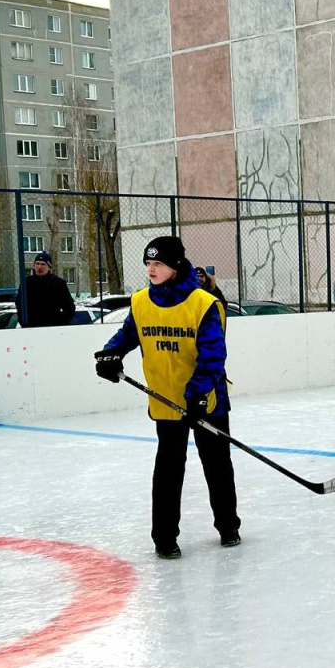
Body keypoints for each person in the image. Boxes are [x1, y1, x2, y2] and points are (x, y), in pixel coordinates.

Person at [94, 237, 240, 559]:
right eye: (148, 264)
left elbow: (213, 355)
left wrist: (197, 394)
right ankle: (163, 537)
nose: (151, 270)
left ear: (174, 265)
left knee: (216, 464)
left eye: (158, 264)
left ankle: (228, 525)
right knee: (168, 469)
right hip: (165, 400)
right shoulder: (142, 302)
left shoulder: (204, 303)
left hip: (206, 399)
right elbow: (128, 334)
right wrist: (110, 354)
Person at [16, 252, 75, 328]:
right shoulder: (26, 283)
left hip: (53, 327)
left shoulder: (58, 283)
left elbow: (69, 307)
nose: (39, 267)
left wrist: (60, 322)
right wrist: (23, 321)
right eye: (37, 264)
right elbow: (19, 304)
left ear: (49, 267)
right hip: (31, 327)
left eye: (43, 264)